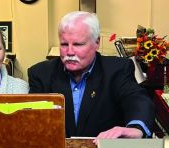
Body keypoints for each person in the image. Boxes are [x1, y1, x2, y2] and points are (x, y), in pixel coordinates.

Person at [28, 11, 155, 141]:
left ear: (97, 43)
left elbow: (138, 100)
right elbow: (29, 121)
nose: (70, 52)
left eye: (78, 44)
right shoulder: (41, 74)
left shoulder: (117, 70)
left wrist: (136, 128)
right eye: (64, 44)